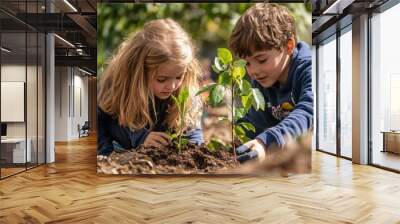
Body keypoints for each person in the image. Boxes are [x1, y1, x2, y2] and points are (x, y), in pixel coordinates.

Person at [98, 19, 203, 156]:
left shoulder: (184, 90)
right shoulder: (119, 87)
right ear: (140, 72)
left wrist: (194, 149)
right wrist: (140, 138)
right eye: (161, 79)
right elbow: (102, 123)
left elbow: (192, 128)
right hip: (122, 151)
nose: (171, 86)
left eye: (179, 77)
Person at [229, 3, 313, 163]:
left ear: (289, 46)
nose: (253, 71)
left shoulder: (309, 69)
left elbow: (308, 113)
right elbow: (255, 123)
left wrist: (266, 142)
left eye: (261, 59)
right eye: (246, 63)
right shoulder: (263, 81)